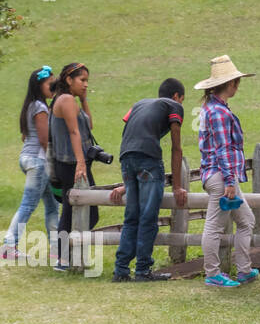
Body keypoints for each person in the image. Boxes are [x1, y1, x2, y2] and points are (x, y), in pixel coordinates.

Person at [108, 79, 188, 282]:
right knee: (148, 217)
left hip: (126, 156)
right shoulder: (174, 106)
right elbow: (176, 147)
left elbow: (130, 128)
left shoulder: (140, 103)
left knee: (131, 216)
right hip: (148, 160)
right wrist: (177, 187)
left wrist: (128, 183)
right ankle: (143, 270)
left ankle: (121, 270)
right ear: (177, 96)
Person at [195, 55, 258, 288]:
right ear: (230, 84)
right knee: (214, 226)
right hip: (222, 176)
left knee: (246, 220)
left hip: (219, 175)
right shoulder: (219, 112)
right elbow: (223, 148)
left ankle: (244, 269)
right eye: (236, 82)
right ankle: (213, 273)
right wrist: (230, 181)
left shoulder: (211, 108)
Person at [3, 67, 60, 260]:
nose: (53, 87)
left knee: (52, 205)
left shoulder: (32, 105)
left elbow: (25, 136)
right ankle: (9, 246)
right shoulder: (40, 108)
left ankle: (56, 249)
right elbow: (45, 140)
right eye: (49, 84)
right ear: (39, 86)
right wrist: (53, 165)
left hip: (29, 158)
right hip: (38, 161)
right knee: (28, 205)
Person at [48, 63, 98, 270]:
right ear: (69, 80)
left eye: (87, 81)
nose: (86, 85)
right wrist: (80, 162)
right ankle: (63, 257)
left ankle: (66, 255)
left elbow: (89, 126)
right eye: (82, 80)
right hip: (71, 164)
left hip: (72, 163)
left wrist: (84, 99)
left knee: (76, 210)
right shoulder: (66, 100)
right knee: (80, 210)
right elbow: (74, 133)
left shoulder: (70, 100)